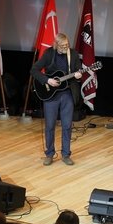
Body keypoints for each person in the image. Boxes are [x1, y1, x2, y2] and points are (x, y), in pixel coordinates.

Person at [31, 33, 83, 166]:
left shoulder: (74, 54)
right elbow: (34, 70)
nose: (65, 47)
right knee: (49, 126)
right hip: (51, 95)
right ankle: (49, 154)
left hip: (67, 94)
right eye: (62, 46)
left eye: (67, 45)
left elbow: (78, 72)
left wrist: (78, 76)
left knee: (67, 125)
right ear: (56, 45)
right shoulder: (49, 53)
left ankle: (66, 154)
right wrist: (47, 80)